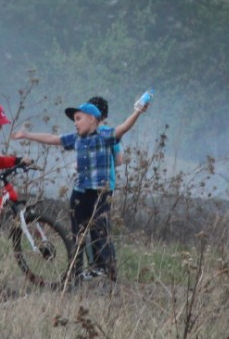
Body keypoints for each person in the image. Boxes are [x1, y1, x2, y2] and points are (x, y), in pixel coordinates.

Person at [15, 97, 149, 281]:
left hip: (100, 193)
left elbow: (123, 128)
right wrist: (27, 135)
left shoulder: (105, 136)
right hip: (80, 192)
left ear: (92, 119)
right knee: (77, 232)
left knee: (100, 230)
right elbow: (53, 138)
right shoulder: (76, 138)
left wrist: (138, 111)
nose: (75, 123)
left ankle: (106, 270)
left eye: (79, 118)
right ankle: (75, 271)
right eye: (74, 120)